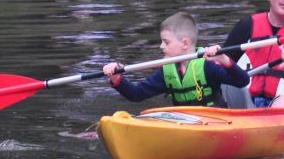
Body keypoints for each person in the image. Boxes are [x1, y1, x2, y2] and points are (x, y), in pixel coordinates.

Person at [102, 11, 249, 107]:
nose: (161, 46)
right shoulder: (167, 72)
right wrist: (116, 78)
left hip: (216, 123)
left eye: (166, 42)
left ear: (184, 43)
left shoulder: (208, 66)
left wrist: (224, 59)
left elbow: (243, 81)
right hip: (185, 123)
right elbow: (136, 94)